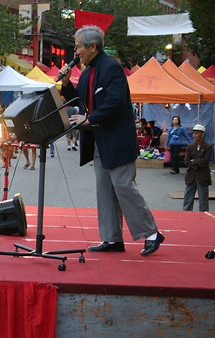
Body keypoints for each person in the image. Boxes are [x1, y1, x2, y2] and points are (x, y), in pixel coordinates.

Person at [59, 25, 164, 256]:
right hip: (98, 140)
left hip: (117, 140)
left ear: (93, 46)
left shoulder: (112, 67)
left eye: (78, 47)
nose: (76, 53)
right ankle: (112, 238)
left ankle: (152, 233)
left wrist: (89, 119)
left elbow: (116, 102)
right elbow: (79, 99)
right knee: (104, 190)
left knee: (124, 186)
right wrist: (66, 84)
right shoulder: (87, 73)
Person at [183, 124, 213, 212]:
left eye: (197, 133)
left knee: (203, 198)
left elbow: (206, 160)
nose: (194, 135)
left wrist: (193, 162)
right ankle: (186, 215)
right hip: (191, 175)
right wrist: (196, 163)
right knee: (188, 197)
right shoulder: (190, 146)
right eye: (194, 133)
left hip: (202, 175)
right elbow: (186, 161)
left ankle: (204, 215)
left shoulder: (208, 146)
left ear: (202, 134)